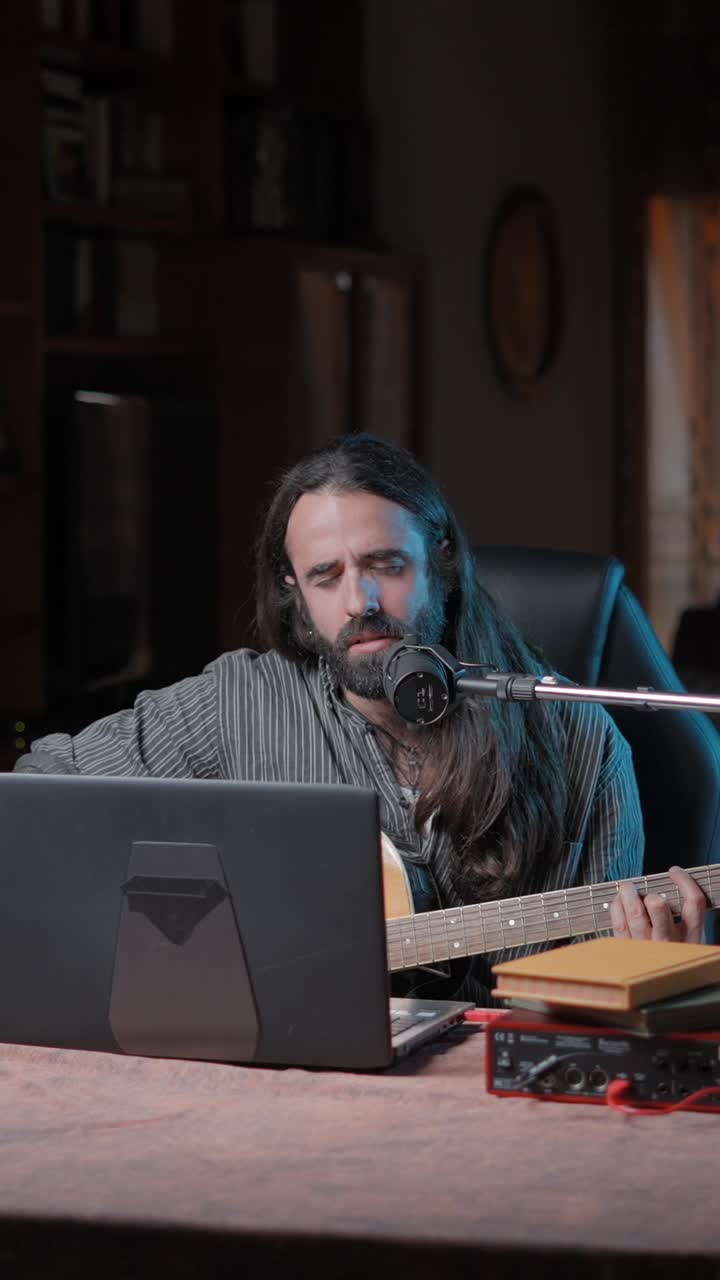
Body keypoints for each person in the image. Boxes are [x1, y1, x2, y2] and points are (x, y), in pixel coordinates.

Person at [15, 434, 707, 1003]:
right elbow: (37, 795)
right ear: (293, 592)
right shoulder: (235, 704)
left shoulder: (579, 743)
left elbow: (602, 1006)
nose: (358, 600)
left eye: (385, 564)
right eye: (327, 576)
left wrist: (659, 969)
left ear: (441, 563)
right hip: (287, 1087)